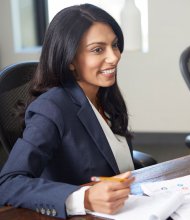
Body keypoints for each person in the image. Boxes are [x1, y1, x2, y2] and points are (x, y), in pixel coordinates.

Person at [0, 4, 136, 219]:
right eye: (98, 49)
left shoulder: (105, 95)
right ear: (70, 59)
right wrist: (84, 198)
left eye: (115, 45)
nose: (114, 57)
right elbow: (8, 183)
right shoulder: (51, 108)